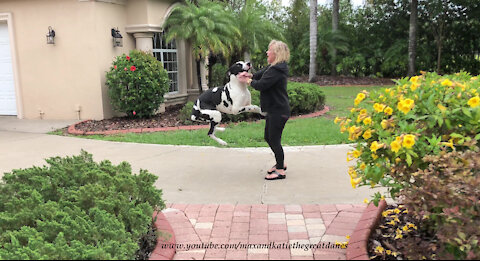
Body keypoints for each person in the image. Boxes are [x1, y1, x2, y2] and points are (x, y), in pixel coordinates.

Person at [238, 40, 291, 180]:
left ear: (276, 53)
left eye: (269, 50)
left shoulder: (276, 70)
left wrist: (247, 81)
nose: (267, 52)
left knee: (273, 139)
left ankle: (280, 170)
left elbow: (262, 84)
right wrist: (249, 75)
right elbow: (260, 75)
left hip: (279, 110)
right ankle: (280, 163)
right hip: (275, 109)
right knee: (269, 137)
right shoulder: (274, 67)